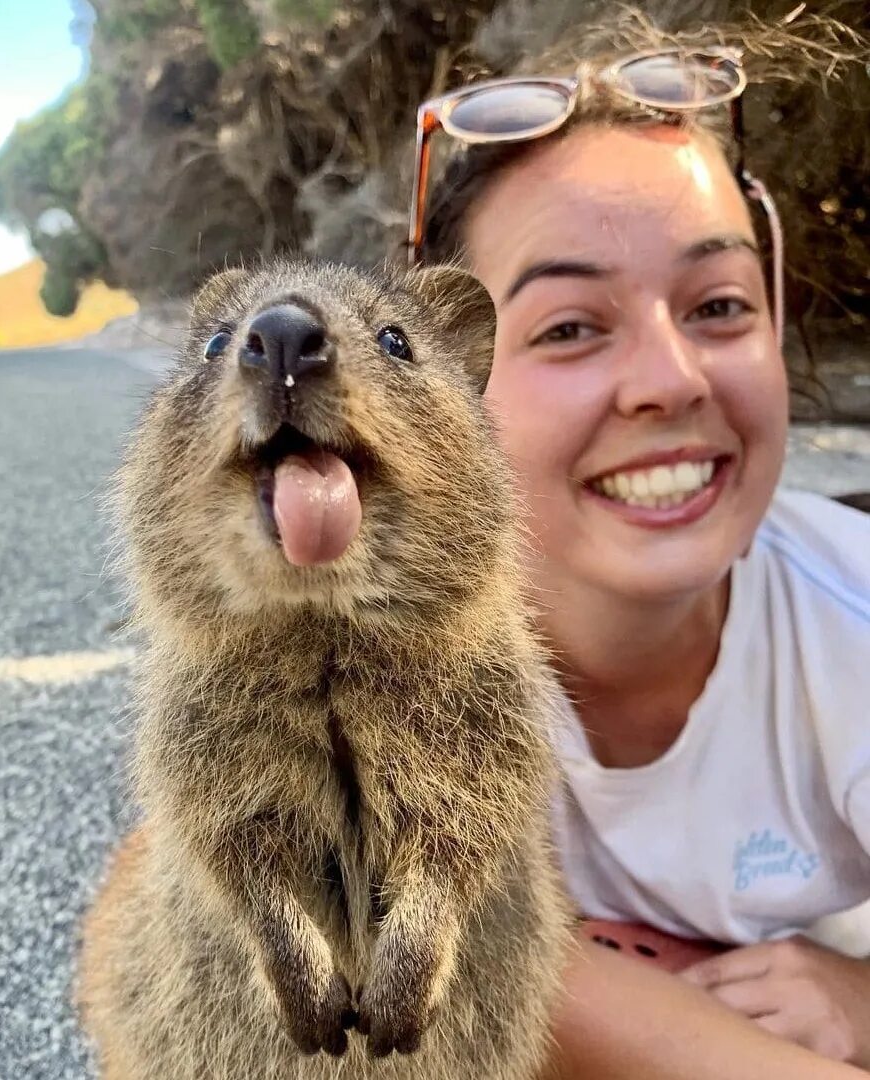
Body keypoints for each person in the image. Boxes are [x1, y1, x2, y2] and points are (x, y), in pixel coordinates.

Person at [410, 11, 870, 1078]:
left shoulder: (849, 629)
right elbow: (183, 906)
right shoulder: (391, 644)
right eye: (570, 326)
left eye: (717, 305)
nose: (671, 380)